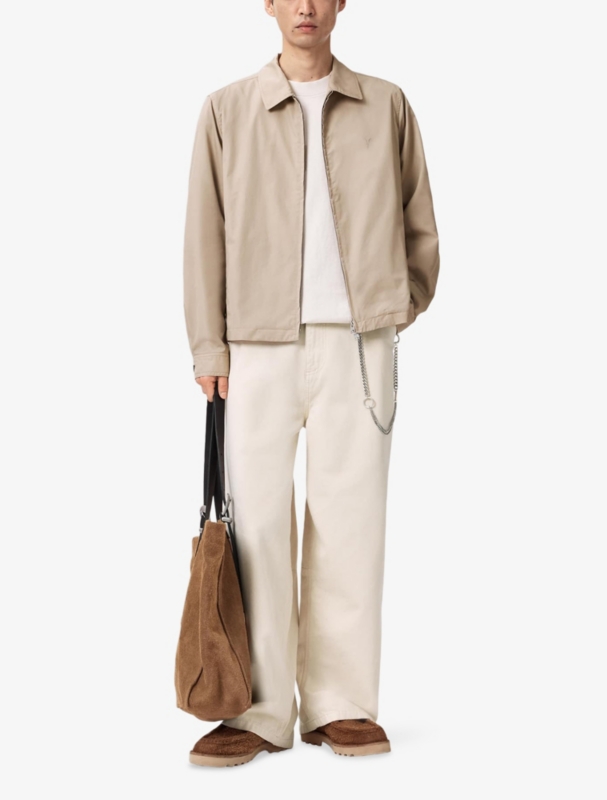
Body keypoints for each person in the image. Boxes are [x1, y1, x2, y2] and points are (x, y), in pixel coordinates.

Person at [182, 0, 440, 768]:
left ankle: (341, 704)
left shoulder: (386, 105)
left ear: (341, 2)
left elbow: (420, 221)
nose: (305, 7)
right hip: (254, 347)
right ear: (267, 3)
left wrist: (396, 304)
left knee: (351, 523)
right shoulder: (227, 109)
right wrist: (208, 343)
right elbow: (202, 233)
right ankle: (257, 710)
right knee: (256, 528)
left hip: (360, 345)